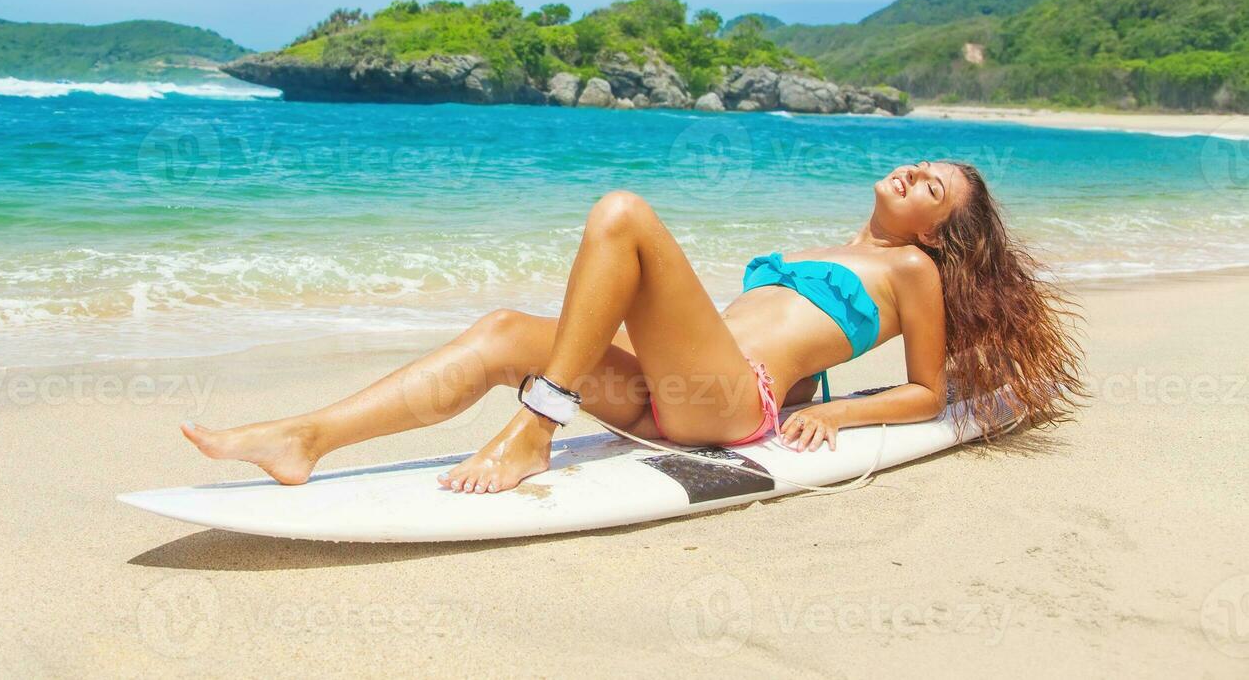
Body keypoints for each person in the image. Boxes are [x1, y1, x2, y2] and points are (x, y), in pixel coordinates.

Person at [183, 161, 1085, 494]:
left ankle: (537, 428)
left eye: (935, 190)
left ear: (939, 231)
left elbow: (929, 389)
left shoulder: (913, 271)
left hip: (731, 404)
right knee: (503, 329)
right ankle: (308, 438)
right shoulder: (834, 242)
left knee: (623, 213)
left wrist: (836, 416)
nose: (916, 174)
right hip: (674, 396)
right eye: (923, 167)